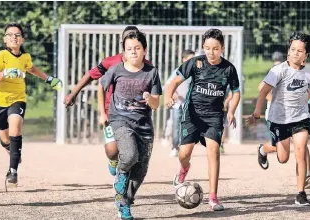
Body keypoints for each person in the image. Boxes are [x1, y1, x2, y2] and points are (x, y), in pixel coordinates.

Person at [165, 28, 241, 211]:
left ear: (222, 48)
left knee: (213, 152)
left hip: (214, 117)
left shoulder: (229, 69)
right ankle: (183, 171)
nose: (211, 52)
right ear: (203, 47)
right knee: (184, 154)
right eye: (207, 48)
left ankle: (213, 197)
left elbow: (236, 92)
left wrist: (231, 111)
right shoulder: (195, 63)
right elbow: (173, 82)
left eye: (215, 48)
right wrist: (169, 96)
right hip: (192, 114)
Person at [246, 32, 310, 206]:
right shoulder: (278, 70)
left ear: (306, 55)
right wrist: (257, 113)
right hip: (279, 119)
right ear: (288, 51)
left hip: (300, 118)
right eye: (293, 49)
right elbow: (263, 91)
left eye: (300, 50)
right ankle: (263, 149)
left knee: (301, 149)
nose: (296, 52)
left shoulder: (308, 75)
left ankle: (300, 194)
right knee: (283, 157)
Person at [63, 26, 151, 176]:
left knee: (133, 151)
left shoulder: (146, 66)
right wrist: (73, 94)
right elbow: (91, 76)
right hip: (113, 112)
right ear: (122, 44)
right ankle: (113, 161)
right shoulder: (111, 62)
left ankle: (125, 178)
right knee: (112, 150)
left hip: (135, 114)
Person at [0, 23, 63, 188]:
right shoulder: (1, 55)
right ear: (5, 39)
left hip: (18, 98)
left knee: (15, 127)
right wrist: (7, 72)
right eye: (10, 35)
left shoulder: (25, 57)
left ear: (22, 39)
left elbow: (32, 69)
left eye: (17, 35)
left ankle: (13, 170)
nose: (13, 37)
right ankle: (12, 151)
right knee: (4, 138)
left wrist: (49, 79)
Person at [100, 30, 161, 220]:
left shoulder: (151, 72)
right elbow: (100, 87)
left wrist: (149, 98)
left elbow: (156, 103)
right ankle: (120, 180)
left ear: (145, 50)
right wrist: (103, 113)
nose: (133, 52)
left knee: (141, 171)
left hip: (144, 126)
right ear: (124, 52)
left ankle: (125, 200)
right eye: (129, 49)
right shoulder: (116, 70)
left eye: (137, 48)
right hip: (120, 121)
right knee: (129, 154)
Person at [255, 53, 310, 190]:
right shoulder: (277, 70)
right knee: (282, 154)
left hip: (297, 116)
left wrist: (301, 102)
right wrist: (275, 100)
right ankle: (262, 149)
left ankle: (307, 175)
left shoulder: (305, 74)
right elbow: (261, 88)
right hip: (277, 116)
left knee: (301, 143)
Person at [164, 49, 195, 157]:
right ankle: (175, 147)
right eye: (190, 59)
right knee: (176, 125)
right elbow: (168, 84)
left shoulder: (196, 71)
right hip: (178, 104)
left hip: (190, 104)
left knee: (188, 126)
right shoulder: (178, 71)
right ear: (184, 59)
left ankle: (184, 147)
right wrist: (173, 94)